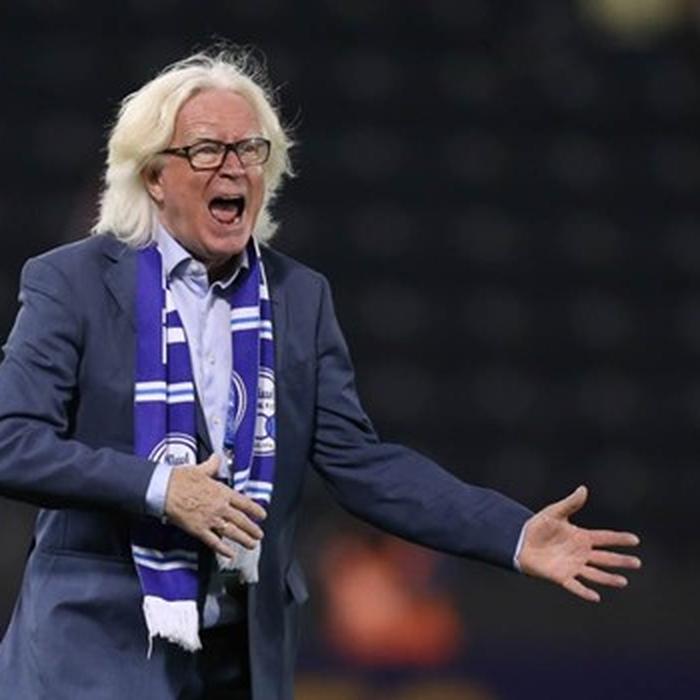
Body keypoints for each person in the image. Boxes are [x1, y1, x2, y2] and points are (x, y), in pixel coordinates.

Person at [0, 49, 641, 700]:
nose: (234, 166)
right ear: (154, 176)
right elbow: (11, 442)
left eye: (250, 149)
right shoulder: (72, 283)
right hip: (93, 647)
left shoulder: (298, 298)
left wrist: (514, 534)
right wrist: (161, 488)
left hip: (239, 658)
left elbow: (361, 464)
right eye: (207, 149)